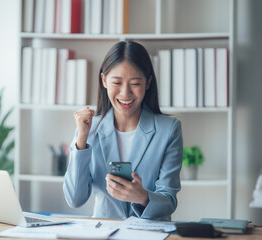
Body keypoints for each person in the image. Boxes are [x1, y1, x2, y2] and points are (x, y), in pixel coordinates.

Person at [63, 41, 183, 220]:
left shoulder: (169, 130)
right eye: (117, 82)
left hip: (149, 234)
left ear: (148, 82)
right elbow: (75, 199)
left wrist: (142, 197)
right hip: (105, 232)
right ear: (104, 81)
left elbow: (169, 201)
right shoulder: (90, 129)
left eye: (135, 83)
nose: (125, 93)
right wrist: (81, 139)